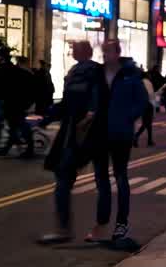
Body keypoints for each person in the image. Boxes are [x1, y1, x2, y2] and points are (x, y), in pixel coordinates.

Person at [40, 41, 103, 244]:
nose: (72, 51)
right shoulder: (81, 71)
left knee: (64, 177)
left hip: (80, 133)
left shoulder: (86, 72)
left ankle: (65, 229)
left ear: (84, 52)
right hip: (79, 131)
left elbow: (83, 103)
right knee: (67, 178)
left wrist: (51, 117)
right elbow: (69, 103)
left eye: (75, 49)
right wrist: (49, 117)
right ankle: (70, 228)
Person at [87, 39, 148, 243]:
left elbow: (142, 102)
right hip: (99, 133)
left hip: (121, 134)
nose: (105, 55)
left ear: (117, 52)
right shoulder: (97, 73)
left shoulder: (130, 74)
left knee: (120, 177)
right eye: (103, 52)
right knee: (101, 180)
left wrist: (127, 118)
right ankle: (101, 223)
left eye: (109, 51)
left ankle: (121, 223)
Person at [0, 49, 34, 157]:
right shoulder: (14, 69)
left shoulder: (1, 68)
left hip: (9, 102)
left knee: (13, 124)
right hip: (12, 102)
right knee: (12, 124)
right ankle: (3, 148)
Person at [134, 70, 156, 147]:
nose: (150, 76)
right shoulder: (148, 82)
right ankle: (136, 137)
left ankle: (149, 140)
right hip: (148, 104)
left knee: (148, 123)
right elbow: (151, 95)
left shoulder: (140, 82)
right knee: (146, 123)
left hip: (142, 104)